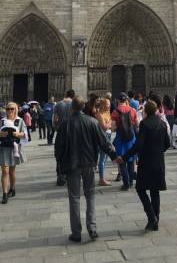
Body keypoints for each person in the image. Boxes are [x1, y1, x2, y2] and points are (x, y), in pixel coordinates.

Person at [55, 96, 118, 243]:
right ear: (83, 107)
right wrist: (114, 156)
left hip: (72, 165)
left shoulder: (65, 124)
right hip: (89, 163)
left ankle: (76, 233)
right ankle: (92, 228)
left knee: (74, 198)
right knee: (90, 196)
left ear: (72, 108)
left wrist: (60, 165)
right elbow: (104, 142)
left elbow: (58, 147)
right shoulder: (92, 122)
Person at [120, 100, 170, 232]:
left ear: (146, 111)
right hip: (159, 161)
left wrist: (125, 157)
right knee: (155, 190)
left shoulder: (144, 124)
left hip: (146, 162)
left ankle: (152, 217)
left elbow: (139, 145)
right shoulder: (163, 123)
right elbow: (167, 143)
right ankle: (155, 219)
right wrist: (158, 152)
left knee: (141, 189)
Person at [0, 101, 29, 204]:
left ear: (16, 110)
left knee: (12, 172)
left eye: (12, 109)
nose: (10, 111)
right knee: (5, 171)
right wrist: (0, 134)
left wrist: (18, 134)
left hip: (14, 148)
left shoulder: (20, 121)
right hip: (3, 148)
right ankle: (4, 193)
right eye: (8, 109)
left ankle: (12, 188)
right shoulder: (2, 121)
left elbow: (25, 135)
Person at [111, 93, 138, 190]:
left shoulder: (115, 112)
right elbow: (136, 124)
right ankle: (130, 182)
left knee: (121, 161)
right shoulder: (133, 110)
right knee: (131, 160)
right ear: (126, 100)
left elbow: (113, 128)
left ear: (118, 100)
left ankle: (125, 184)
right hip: (131, 138)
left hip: (120, 139)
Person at [53, 90, 75, 186]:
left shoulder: (58, 104)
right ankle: (70, 175)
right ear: (73, 96)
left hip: (61, 133)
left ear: (66, 95)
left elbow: (55, 119)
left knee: (60, 154)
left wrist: (57, 128)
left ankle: (60, 176)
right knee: (71, 153)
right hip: (72, 132)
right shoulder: (74, 104)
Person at [96, 98, 112, 186]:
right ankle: (101, 179)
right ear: (103, 105)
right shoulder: (99, 114)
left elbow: (110, 124)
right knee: (102, 158)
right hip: (103, 137)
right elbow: (104, 127)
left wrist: (109, 123)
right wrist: (109, 122)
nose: (109, 105)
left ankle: (102, 177)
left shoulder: (107, 112)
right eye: (108, 104)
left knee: (106, 158)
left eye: (109, 104)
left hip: (108, 136)